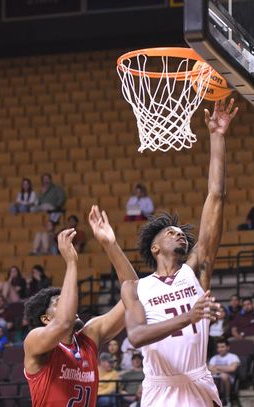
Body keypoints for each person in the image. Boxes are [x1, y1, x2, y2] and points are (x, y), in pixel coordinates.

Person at [120, 99, 237, 407]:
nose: (179, 234)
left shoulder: (196, 269)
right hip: (159, 386)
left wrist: (217, 138)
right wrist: (190, 316)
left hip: (197, 378)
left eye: (182, 233)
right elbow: (137, 337)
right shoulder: (138, 288)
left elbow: (216, 196)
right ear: (155, 247)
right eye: (170, 232)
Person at [23, 206, 139, 407]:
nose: (71, 304)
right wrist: (71, 263)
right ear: (45, 318)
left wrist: (110, 245)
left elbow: (135, 292)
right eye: (60, 302)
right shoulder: (35, 340)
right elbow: (63, 322)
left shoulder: (89, 336)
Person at [229, 297, 254, 370]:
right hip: (241, 337)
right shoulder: (239, 315)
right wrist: (237, 336)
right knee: (227, 342)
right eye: (244, 305)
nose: (246, 306)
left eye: (248, 304)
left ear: (252, 305)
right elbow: (233, 330)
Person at [208, 338, 240, 406]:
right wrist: (224, 369)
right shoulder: (214, 357)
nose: (220, 349)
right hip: (215, 376)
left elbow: (232, 368)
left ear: (227, 347)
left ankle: (227, 398)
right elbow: (209, 369)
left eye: (222, 347)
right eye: (218, 347)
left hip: (229, 379)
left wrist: (217, 367)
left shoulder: (233, 357)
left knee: (224, 376)